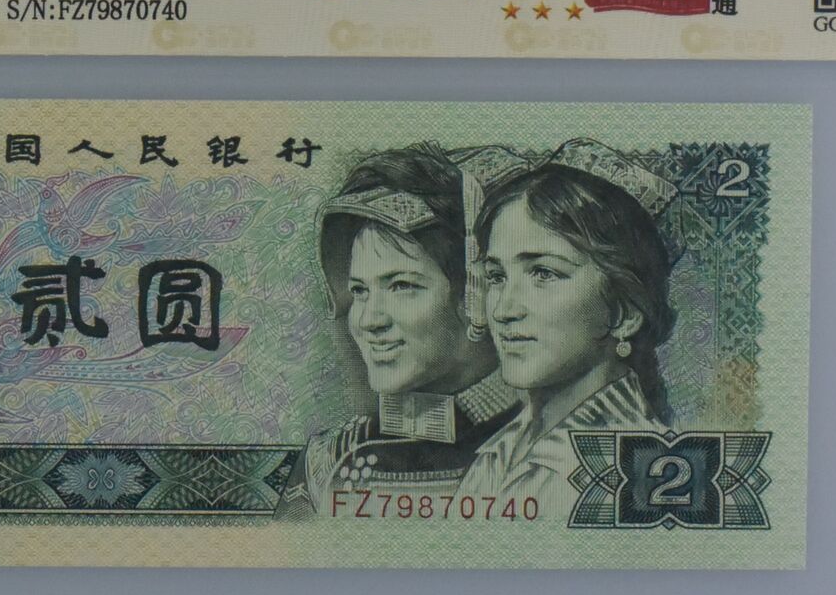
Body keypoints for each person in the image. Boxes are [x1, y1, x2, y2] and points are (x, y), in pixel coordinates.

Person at [275, 143, 529, 519]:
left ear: (475, 294)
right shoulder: (328, 463)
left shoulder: (550, 449)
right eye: (359, 291)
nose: (368, 320)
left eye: (401, 286)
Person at [455, 138, 678, 523]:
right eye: (496, 277)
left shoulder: (640, 473)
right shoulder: (498, 453)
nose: (504, 310)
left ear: (623, 312)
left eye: (543, 273)